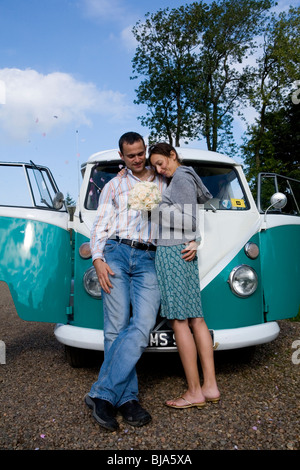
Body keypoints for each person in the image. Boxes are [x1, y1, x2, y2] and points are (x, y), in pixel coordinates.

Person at [85, 132, 166, 431]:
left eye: (140, 153)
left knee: (143, 325)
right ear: (122, 156)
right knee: (115, 327)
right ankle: (128, 399)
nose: (137, 159)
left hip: (149, 258)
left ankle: (101, 394)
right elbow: (100, 226)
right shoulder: (114, 185)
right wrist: (98, 260)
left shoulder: (162, 181)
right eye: (130, 155)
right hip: (116, 253)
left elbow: (183, 205)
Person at [148, 142, 220, 409]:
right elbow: (193, 222)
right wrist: (196, 239)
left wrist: (152, 209)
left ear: (172, 155)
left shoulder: (179, 177)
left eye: (161, 162)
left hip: (171, 253)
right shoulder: (186, 177)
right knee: (197, 319)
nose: (159, 168)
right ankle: (209, 386)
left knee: (180, 322)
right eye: (154, 165)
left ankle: (194, 392)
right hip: (183, 251)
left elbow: (188, 220)